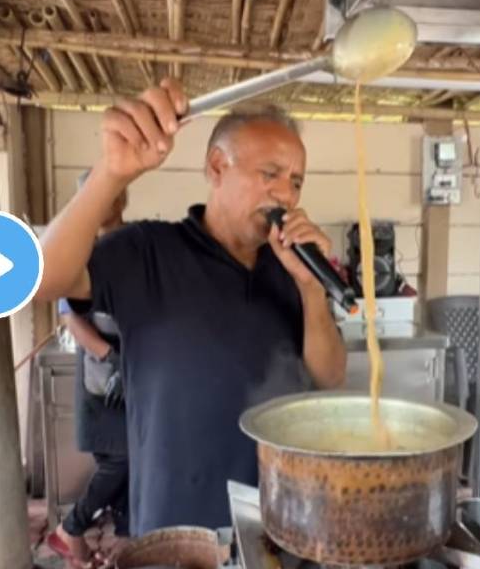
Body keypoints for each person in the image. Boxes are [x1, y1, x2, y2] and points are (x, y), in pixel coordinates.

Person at [35, 79, 346, 534]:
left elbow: (329, 377)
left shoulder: (295, 272)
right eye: (270, 174)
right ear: (218, 167)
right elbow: (44, 279)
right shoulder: (148, 252)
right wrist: (112, 174)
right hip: (174, 526)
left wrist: (311, 289)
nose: (286, 194)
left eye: (296, 181)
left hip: (280, 521)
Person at [48, 174, 130, 568]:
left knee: (136, 467)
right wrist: (110, 359)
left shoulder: (136, 244)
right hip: (104, 377)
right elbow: (70, 318)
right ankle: (72, 526)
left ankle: (124, 545)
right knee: (120, 461)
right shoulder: (79, 249)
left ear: (124, 197)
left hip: (138, 369)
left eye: (113, 193)